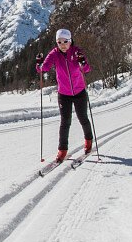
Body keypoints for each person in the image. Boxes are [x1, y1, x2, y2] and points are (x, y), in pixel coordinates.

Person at [36, 29, 93, 163]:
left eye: (65, 41)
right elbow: (44, 68)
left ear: (70, 41)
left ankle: (88, 141)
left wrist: (82, 61)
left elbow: (86, 70)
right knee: (65, 122)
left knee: (83, 118)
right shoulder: (54, 54)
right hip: (64, 94)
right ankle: (62, 151)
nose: (62, 44)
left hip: (79, 92)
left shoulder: (76, 51)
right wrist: (38, 64)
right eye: (59, 42)